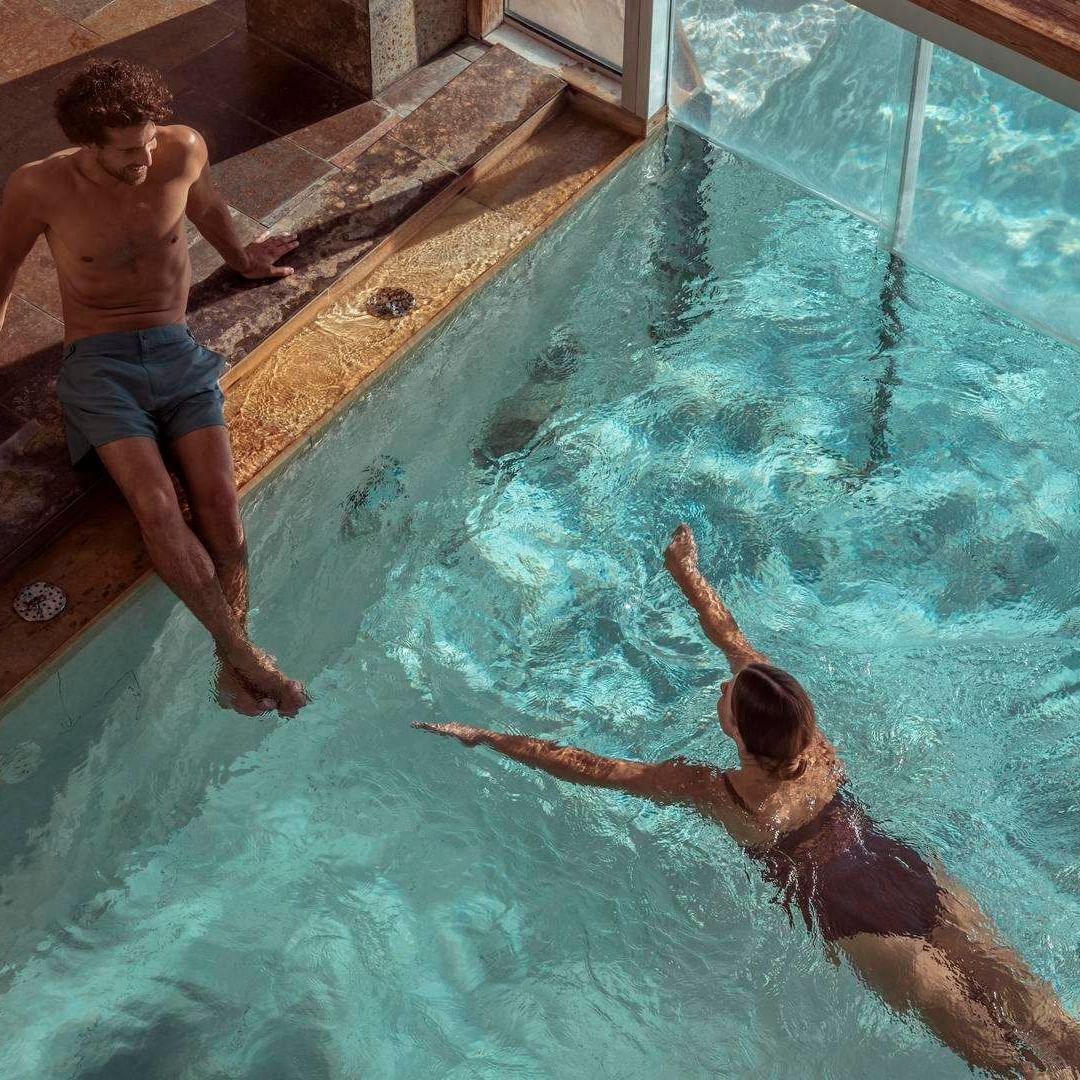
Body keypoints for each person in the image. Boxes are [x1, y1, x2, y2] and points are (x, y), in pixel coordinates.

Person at [416, 524, 1080, 1076]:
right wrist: (687, 574)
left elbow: (597, 769)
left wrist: (488, 736)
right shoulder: (810, 738)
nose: (727, 687)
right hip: (914, 876)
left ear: (733, 729)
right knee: (1053, 1025)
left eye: (728, 697)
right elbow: (731, 637)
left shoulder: (718, 791)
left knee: (1026, 1070)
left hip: (862, 928)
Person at [0, 58, 306, 716]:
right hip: (98, 361)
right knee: (157, 506)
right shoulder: (38, 188)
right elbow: (1, 274)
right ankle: (245, 655)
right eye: (126, 153)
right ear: (89, 143)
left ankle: (232, 662)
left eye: (147, 142)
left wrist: (243, 259)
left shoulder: (181, 148)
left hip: (175, 349)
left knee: (222, 505)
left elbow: (208, 207)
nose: (143, 160)